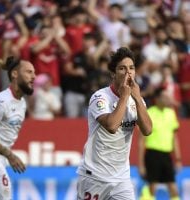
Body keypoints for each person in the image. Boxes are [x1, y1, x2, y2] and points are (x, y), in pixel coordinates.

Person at [76, 47, 152, 200]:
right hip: (95, 177)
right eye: (122, 68)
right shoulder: (100, 97)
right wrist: (124, 97)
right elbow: (112, 126)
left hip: (121, 179)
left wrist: (137, 98)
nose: (128, 73)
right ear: (113, 74)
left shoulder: (137, 99)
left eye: (131, 68)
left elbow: (148, 130)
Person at [0, 56, 35, 199]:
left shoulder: (22, 103)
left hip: (1, 158)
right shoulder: (1, 101)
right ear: (15, 74)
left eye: (34, 73)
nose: (34, 77)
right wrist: (10, 155)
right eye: (29, 72)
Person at [139, 87, 182, 200]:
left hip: (167, 155)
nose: (169, 99)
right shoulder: (149, 113)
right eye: (165, 97)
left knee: (173, 188)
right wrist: (141, 164)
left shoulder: (171, 113)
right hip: (152, 154)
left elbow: (174, 138)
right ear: (157, 99)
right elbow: (141, 141)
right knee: (152, 187)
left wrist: (177, 158)